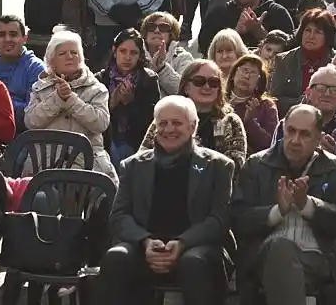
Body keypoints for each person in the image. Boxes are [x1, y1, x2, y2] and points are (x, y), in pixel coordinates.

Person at [98, 95, 234, 305]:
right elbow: (118, 216)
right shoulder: (133, 166)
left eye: (177, 123)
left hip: (197, 249)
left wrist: (182, 243)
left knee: (194, 262)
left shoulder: (218, 166)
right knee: (116, 257)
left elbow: (219, 219)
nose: (169, 129)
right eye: (163, 123)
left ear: (192, 127)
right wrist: (145, 241)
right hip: (145, 248)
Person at [230, 104, 336, 305]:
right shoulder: (257, 165)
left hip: (319, 257)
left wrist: (307, 205)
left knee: (288, 269)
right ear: (283, 129)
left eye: (305, 134)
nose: (295, 140)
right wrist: (277, 211)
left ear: (318, 139)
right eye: (291, 131)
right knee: (281, 250)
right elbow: (239, 219)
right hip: (265, 254)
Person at [24, 29, 116, 177]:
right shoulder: (40, 87)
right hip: (46, 160)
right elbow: (31, 122)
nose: (69, 57)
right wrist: (57, 99)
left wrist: (72, 101)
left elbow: (101, 123)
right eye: (62, 54)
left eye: (74, 53)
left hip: (88, 159)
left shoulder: (96, 89)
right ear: (51, 60)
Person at [100, 28, 162, 167]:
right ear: (115, 51)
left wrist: (130, 103)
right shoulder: (101, 78)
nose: (127, 57)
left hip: (136, 140)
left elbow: (152, 122)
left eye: (133, 53)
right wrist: (110, 105)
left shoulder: (148, 80)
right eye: (123, 51)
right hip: (105, 139)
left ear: (140, 56)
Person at [0, 15, 46, 132]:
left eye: (13, 34)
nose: (7, 39)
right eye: (2, 35)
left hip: (23, 135)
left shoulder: (36, 69)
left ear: (25, 38)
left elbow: (33, 114)